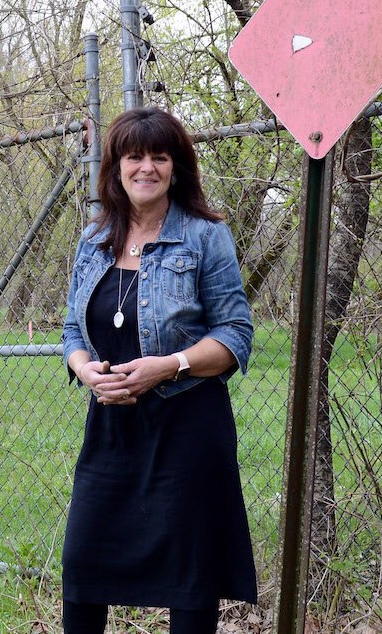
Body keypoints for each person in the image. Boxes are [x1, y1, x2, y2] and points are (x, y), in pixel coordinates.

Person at [60, 107, 258, 634]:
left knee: (190, 580)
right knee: (83, 566)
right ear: (116, 166)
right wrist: (86, 373)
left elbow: (236, 335)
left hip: (188, 429)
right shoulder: (92, 239)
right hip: (110, 430)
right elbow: (72, 331)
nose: (146, 167)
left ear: (176, 167)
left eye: (159, 157)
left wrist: (168, 367)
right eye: (134, 156)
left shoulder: (204, 237)